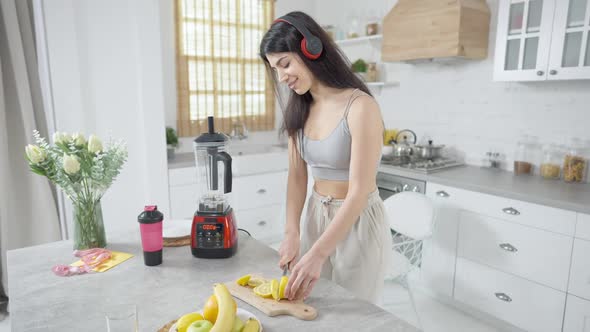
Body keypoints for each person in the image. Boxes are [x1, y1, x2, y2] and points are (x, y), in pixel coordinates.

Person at [259, 11, 392, 304]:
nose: (281, 77)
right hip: (315, 215)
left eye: (285, 64)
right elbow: (296, 176)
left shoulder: (360, 106)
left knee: (353, 314)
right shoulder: (299, 109)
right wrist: (291, 232)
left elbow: (359, 191)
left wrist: (318, 253)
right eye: (275, 69)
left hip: (357, 221)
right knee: (315, 307)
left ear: (311, 49)